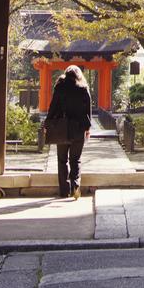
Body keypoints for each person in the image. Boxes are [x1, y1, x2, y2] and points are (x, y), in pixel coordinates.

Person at [46, 64, 93, 200]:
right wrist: (87, 129)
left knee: (62, 160)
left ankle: (63, 191)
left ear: (66, 74)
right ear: (78, 75)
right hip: (78, 128)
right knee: (75, 159)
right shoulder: (84, 89)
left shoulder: (59, 88)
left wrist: (48, 123)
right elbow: (88, 111)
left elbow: (53, 107)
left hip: (62, 129)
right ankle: (75, 186)